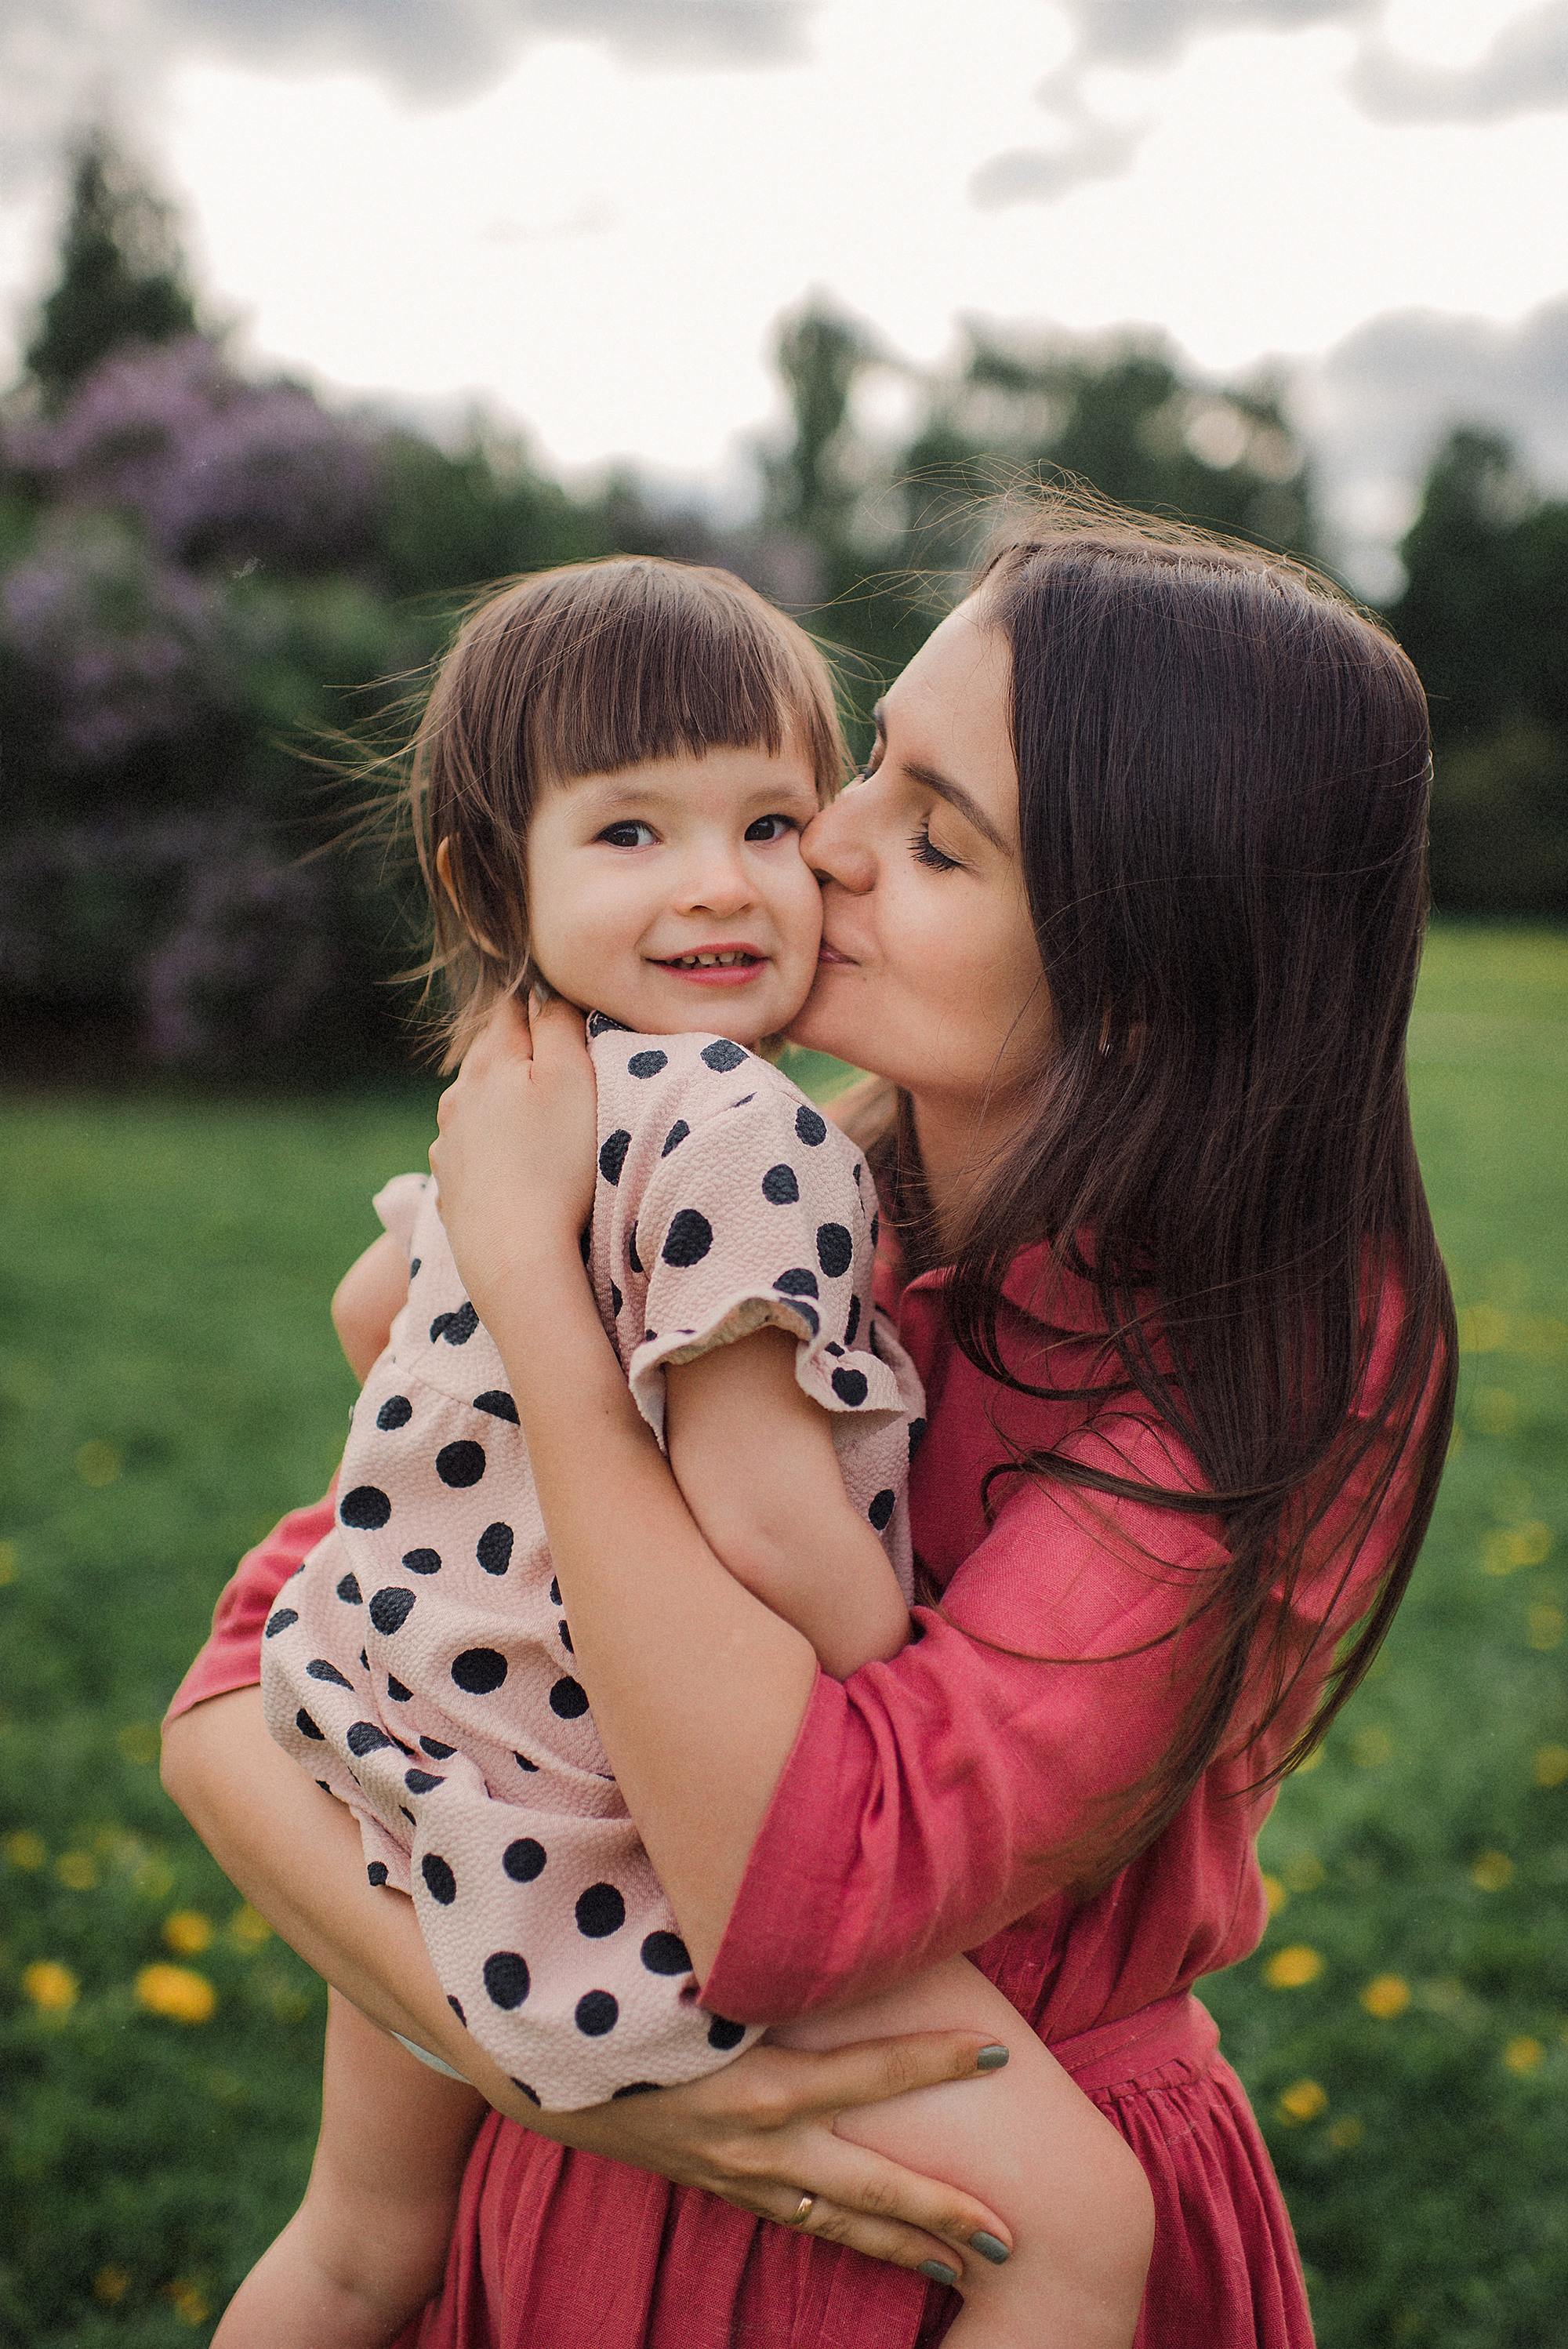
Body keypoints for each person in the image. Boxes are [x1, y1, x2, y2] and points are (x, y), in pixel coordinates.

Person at [164, 503, 1457, 2349]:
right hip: (607, 2146)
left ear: (1152, 974)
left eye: (930, 837)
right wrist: (519, 2053)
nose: (815, 849)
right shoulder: (816, 1168)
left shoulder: (1255, 1355)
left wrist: (538, 1296)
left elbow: (803, 1872)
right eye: (864, 768)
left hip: (942, 2203)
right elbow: (246, 1678)